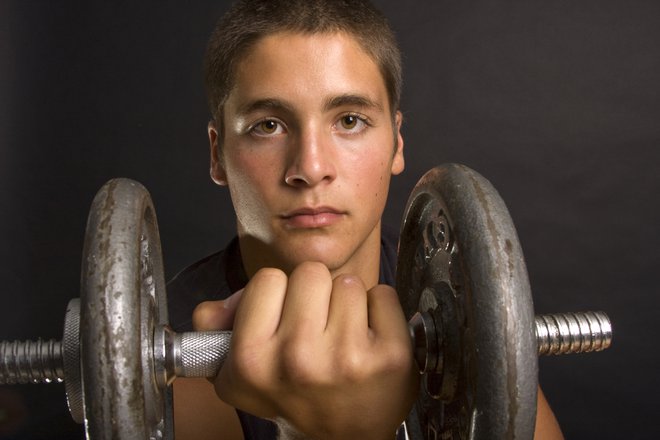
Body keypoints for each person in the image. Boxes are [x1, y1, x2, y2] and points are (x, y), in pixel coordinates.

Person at [168, 0, 564, 439]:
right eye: (268, 126)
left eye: (350, 120)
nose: (312, 167)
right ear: (217, 154)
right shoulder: (167, 360)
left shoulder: (463, 298)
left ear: (396, 143)